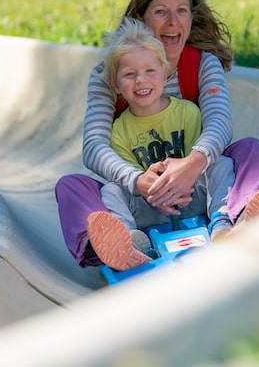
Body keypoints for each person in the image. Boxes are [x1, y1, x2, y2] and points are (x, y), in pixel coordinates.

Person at [56, 0, 259, 268]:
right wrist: (138, 180)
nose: (173, 22)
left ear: (192, 17)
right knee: (71, 186)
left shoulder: (202, 64)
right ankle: (119, 247)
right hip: (140, 192)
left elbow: (219, 123)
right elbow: (94, 147)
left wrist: (191, 165)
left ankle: (241, 223)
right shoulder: (110, 75)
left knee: (250, 151)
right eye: (161, 12)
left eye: (181, 11)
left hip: (196, 186)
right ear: (140, 18)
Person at [87, 17, 236, 271]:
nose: (141, 81)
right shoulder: (119, 130)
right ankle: (130, 243)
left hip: (190, 196)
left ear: (165, 75)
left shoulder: (188, 113)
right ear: (116, 85)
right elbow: (133, 179)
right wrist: (153, 187)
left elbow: (195, 165)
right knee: (111, 191)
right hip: (150, 204)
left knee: (221, 164)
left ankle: (222, 222)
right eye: (130, 74)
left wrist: (178, 184)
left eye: (149, 71)